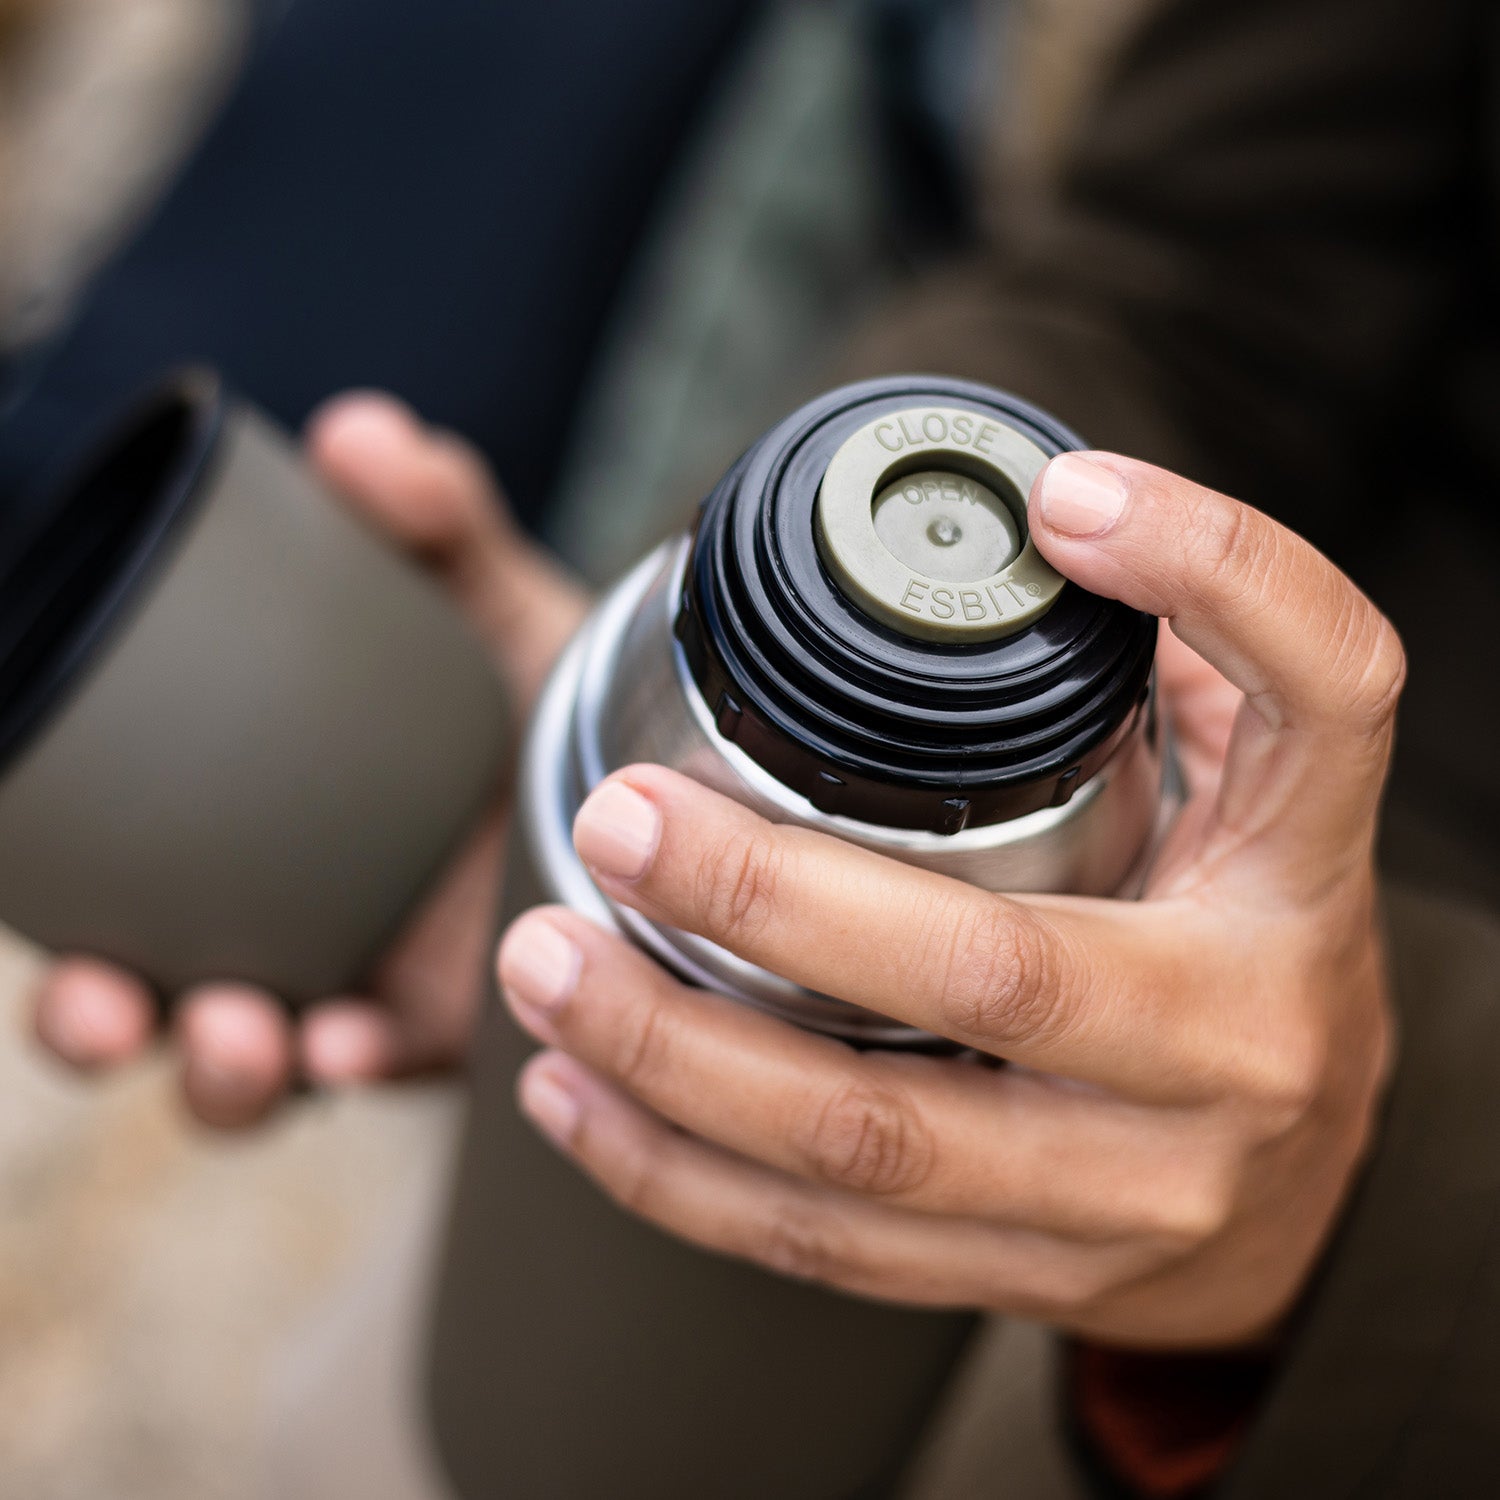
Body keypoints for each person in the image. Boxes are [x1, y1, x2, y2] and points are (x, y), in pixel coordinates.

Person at [27, 0, 1500, 1496]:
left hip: (1369, 1276)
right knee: (385, 1453)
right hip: (1113, 842)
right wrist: (749, 673)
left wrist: (1383, 1193)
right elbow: (1193, 271)